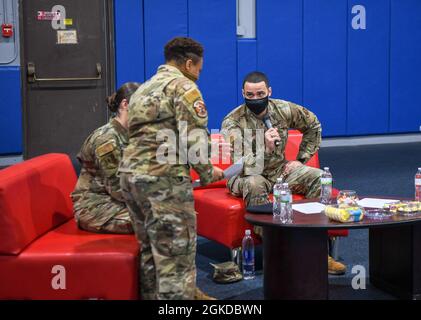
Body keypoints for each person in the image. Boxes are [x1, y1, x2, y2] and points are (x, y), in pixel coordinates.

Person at [119, 37, 225, 300]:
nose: (199, 74)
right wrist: (209, 173)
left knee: (150, 253)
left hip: (131, 177)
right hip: (162, 182)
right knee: (176, 259)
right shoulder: (184, 87)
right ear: (189, 64)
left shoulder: (143, 89)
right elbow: (194, 137)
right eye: (199, 68)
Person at [221, 71, 346, 275]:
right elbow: (241, 165)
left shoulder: (283, 109)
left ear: (269, 91)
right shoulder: (232, 121)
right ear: (243, 93)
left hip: (279, 170)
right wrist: (266, 148)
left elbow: (313, 125)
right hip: (245, 175)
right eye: (250, 95)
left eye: (260, 94)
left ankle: (316, 249)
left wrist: (300, 159)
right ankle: (279, 250)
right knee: (254, 183)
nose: (255, 99)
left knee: (318, 178)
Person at [71, 82, 140, 234]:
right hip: (96, 208)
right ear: (125, 104)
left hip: (116, 202)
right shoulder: (107, 140)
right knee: (162, 223)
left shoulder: (130, 135)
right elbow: (117, 188)